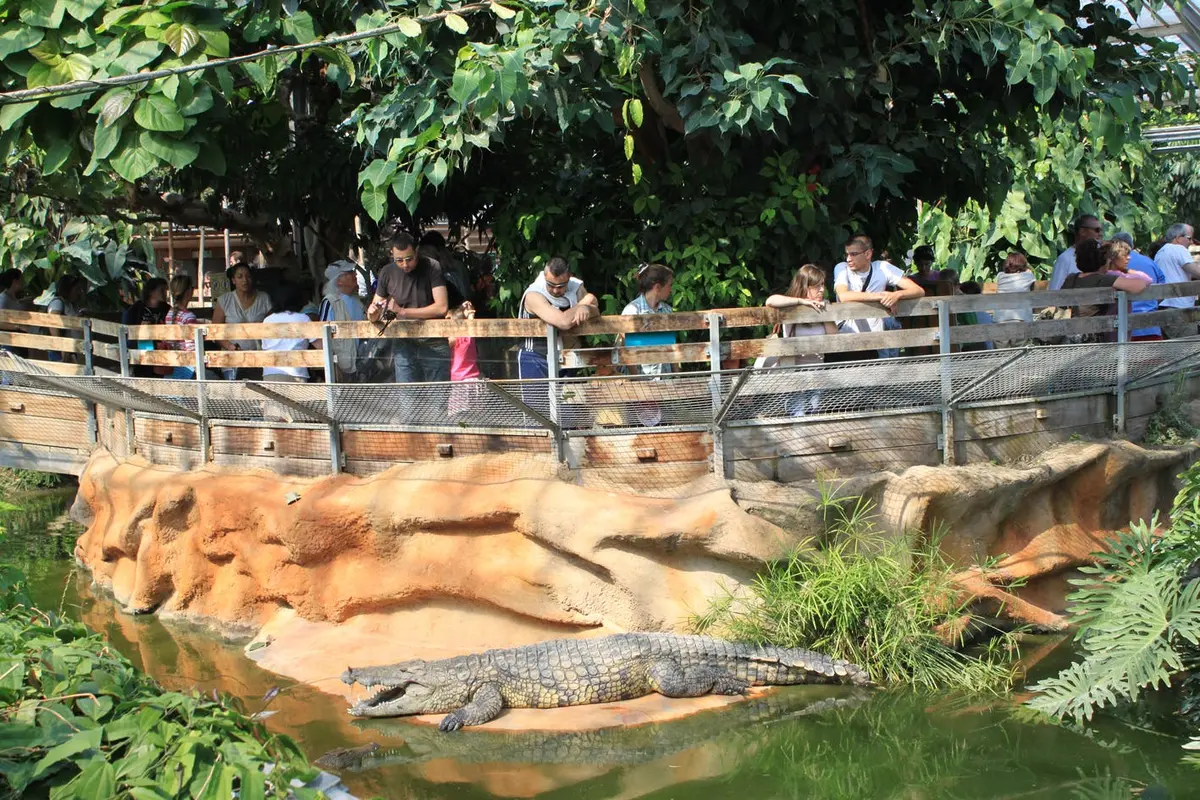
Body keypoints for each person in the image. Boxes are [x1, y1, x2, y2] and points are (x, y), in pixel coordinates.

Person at [367, 232, 451, 383]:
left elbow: (441, 307)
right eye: (399, 260)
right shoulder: (387, 272)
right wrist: (373, 313)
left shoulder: (432, 266)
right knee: (408, 397)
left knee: (438, 397)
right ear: (391, 254)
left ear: (416, 251)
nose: (405, 264)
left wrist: (402, 311)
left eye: (409, 259)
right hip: (403, 341)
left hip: (434, 340)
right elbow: (374, 310)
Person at [832, 235, 924, 358]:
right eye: (847, 254)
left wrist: (897, 295)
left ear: (868, 254)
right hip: (848, 338)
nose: (848, 259)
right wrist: (881, 296)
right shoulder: (842, 268)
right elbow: (843, 296)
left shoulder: (882, 268)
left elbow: (918, 291)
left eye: (853, 254)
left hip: (876, 340)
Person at [765, 264, 840, 416]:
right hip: (794, 373)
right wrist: (801, 302)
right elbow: (770, 301)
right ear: (805, 286)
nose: (821, 290)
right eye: (816, 286)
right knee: (798, 416)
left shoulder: (823, 306)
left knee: (815, 414)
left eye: (822, 285)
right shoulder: (792, 306)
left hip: (817, 373)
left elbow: (834, 335)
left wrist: (824, 313)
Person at [515, 257, 599, 379]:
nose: (555, 290)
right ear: (545, 277)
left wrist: (587, 308)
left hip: (568, 357)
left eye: (560, 286)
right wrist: (583, 304)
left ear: (569, 278)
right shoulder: (533, 294)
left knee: (567, 398)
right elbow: (563, 321)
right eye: (551, 285)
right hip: (536, 358)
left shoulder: (576, 287)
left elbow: (595, 307)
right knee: (536, 399)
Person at [1062, 239, 1149, 342]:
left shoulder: (1071, 278)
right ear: (1102, 260)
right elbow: (1140, 285)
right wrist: (1126, 270)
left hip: (1069, 337)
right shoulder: (1103, 279)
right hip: (1092, 339)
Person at [212, 263, 272, 379]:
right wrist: (229, 346)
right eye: (240, 277)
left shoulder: (264, 298)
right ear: (233, 280)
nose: (245, 280)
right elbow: (215, 332)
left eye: (248, 276)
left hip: (259, 358)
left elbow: (272, 326)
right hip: (232, 359)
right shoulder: (224, 300)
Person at [620, 264, 675, 376]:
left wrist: (677, 377)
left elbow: (672, 347)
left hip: (665, 380)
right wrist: (637, 379)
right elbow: (626, 351)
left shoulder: (667, 310)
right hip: (641, 379)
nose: (671, 289)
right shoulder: (632, 311)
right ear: (658, 287)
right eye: (670, 285)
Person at [1111, 233, 1166, 341]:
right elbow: (1162, 292)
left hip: (1122, 330)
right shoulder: (1149, 262)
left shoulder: (1111, 266)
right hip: (1150, 326)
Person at [318, 260, 366, 382]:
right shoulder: (330, 302)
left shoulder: (358, 301)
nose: (354, 274)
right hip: (342, 365)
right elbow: (322, 335)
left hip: (362, 364)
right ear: (339, 280)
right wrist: (333, 366)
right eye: (349, 272)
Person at [1153, 222, 1200, 339]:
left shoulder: (1161, 252)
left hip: (1162, 307)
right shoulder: (1179, 249)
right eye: (1189, 238)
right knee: (1188, 350)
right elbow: (1197, 273)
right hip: (1179, 309)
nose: (1191, 242)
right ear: (1178, 238)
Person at [121, 277, 169, 377]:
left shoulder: (166, 308)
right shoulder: (137, 309)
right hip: (142, 350)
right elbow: (128, 329)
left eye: (166, 290)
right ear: (151, 291)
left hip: (162, 352)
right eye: (161, 290)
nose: (165, 293)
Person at [163, 275, 208, 379]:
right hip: (187, 368)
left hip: (173, 366)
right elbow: (191, 347)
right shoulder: (189, 316)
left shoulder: (169, 315)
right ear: (188, 292)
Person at [447, 301, 484, 418]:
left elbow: (470, 326)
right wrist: (469, 312)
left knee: (462, 416)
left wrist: (468, 312)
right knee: (471, 416)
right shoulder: (466, 339)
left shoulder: (462, 340)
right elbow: (470, 324)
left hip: (466, 382)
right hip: (466, 382)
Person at [1049, 214, 1105, 290]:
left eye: (1101, 230)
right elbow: (1054, 291)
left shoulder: (1100, 257)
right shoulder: (1065, 259)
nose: (1100, 234)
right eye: (1097, 230)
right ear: (1082, 231)